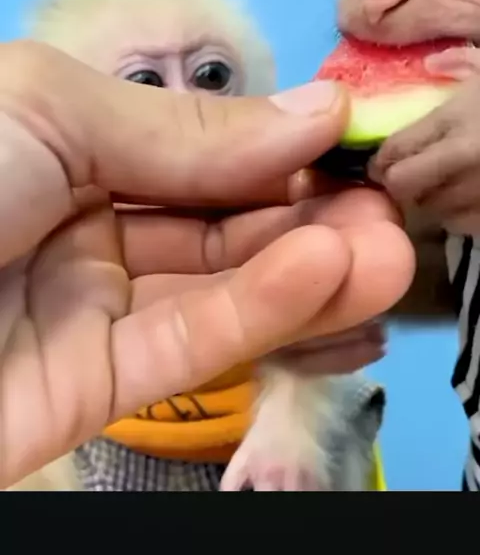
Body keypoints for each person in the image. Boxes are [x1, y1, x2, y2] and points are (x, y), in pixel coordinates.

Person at [0, 39, 414, 490]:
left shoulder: (278, 220)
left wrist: (290, 420)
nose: (185, 101)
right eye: (145, 82)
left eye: (211, 75)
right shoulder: (55, 257)